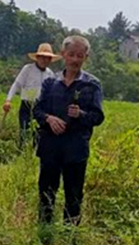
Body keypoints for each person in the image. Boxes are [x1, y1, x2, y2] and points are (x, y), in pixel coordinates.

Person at [33, 36, 105, 226]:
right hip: (50, 147)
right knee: (46, 191)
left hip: (76, 149)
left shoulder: (91, 85)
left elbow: (98, 117)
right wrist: (49, 118)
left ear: (85, 57)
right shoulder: (50, 82)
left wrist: (81, 114)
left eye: (79, 56)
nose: (74, 59)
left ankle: (70, 236)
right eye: (71, 54)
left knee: (73, 194)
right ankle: (44, 230)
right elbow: (37, 110)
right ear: (63, 54)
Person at [4, 43, 61, 150]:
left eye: (48, 58)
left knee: (39, 134)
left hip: (41, 108)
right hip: (27, 105)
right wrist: (8, 100)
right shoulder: (28, 69)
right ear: (37, 57)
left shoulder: (50, 74)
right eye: (42, 57)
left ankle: (34, 157)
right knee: (25, 132)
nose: (45, 60)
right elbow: (17, 84)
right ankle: (22, 156)